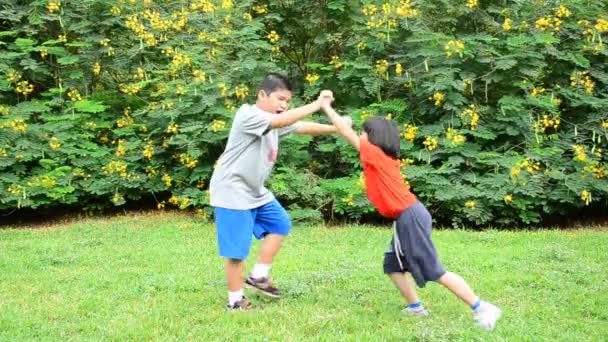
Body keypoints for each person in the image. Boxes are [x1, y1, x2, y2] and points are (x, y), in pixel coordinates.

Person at [319, 100, 502, 331]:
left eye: (363, 132)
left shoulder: (376, 154)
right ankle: (416, 308)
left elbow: (345, 131)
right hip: (405, 217)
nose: (359, 135)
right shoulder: (377, 158)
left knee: (434, 270)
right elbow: (348, 134)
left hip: (410, 216)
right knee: (393, 265)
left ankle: (482, 307)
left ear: (374, 137)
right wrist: (340, 122)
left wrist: (325, 106)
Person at [209, 73, 340, 310]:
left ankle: (259, 275)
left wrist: (336, 128)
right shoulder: (249, 115)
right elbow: (283, 121)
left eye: (287, 102)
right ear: (262, 95)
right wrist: (317, 104)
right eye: (280, 98)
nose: (283, 105)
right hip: (232, 191)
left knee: (280, 224)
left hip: (255, 191)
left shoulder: (274, 120)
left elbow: (301, 126)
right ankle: (235, 301)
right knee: (237, 253)